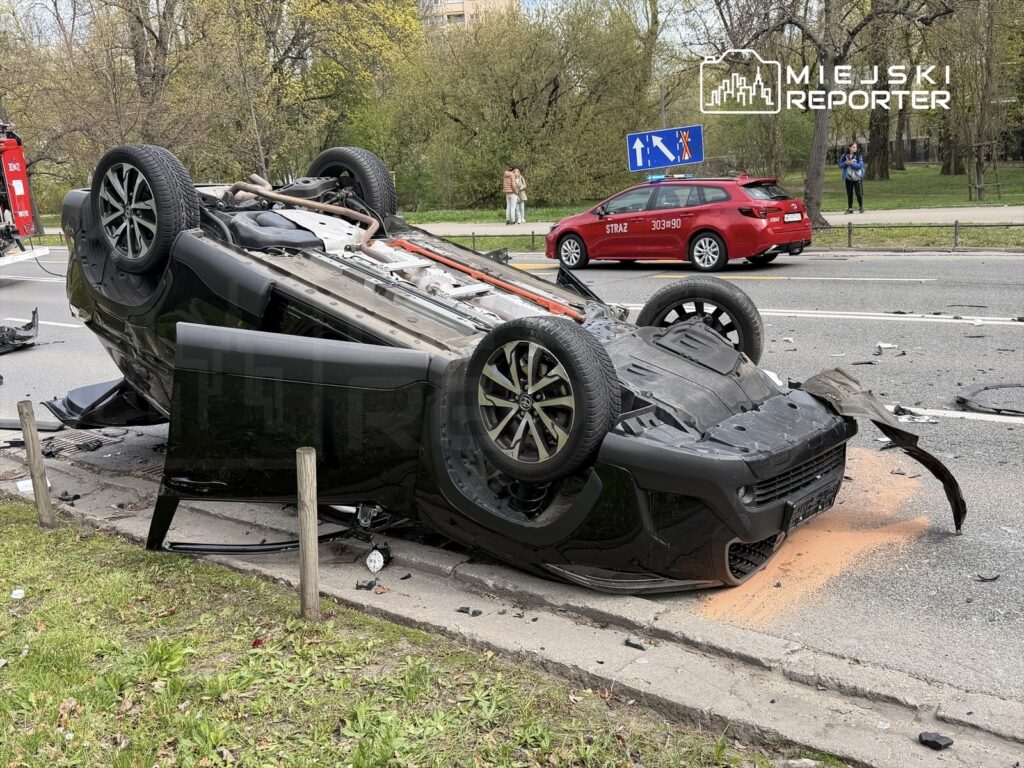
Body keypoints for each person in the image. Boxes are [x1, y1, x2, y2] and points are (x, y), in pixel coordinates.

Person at [838, 142, 865, 214]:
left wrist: (852, 164)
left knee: (858, 193)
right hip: (848, 178)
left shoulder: (859, 156)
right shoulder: (844, 156)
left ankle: (861, 208)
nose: (855, 149)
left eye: (856, 147)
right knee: (849, 194)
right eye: (853, 147)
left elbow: (860, 166)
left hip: (857, 177)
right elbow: (840, 165)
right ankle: (850, 209)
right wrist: (846, 163)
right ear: (849, 148)